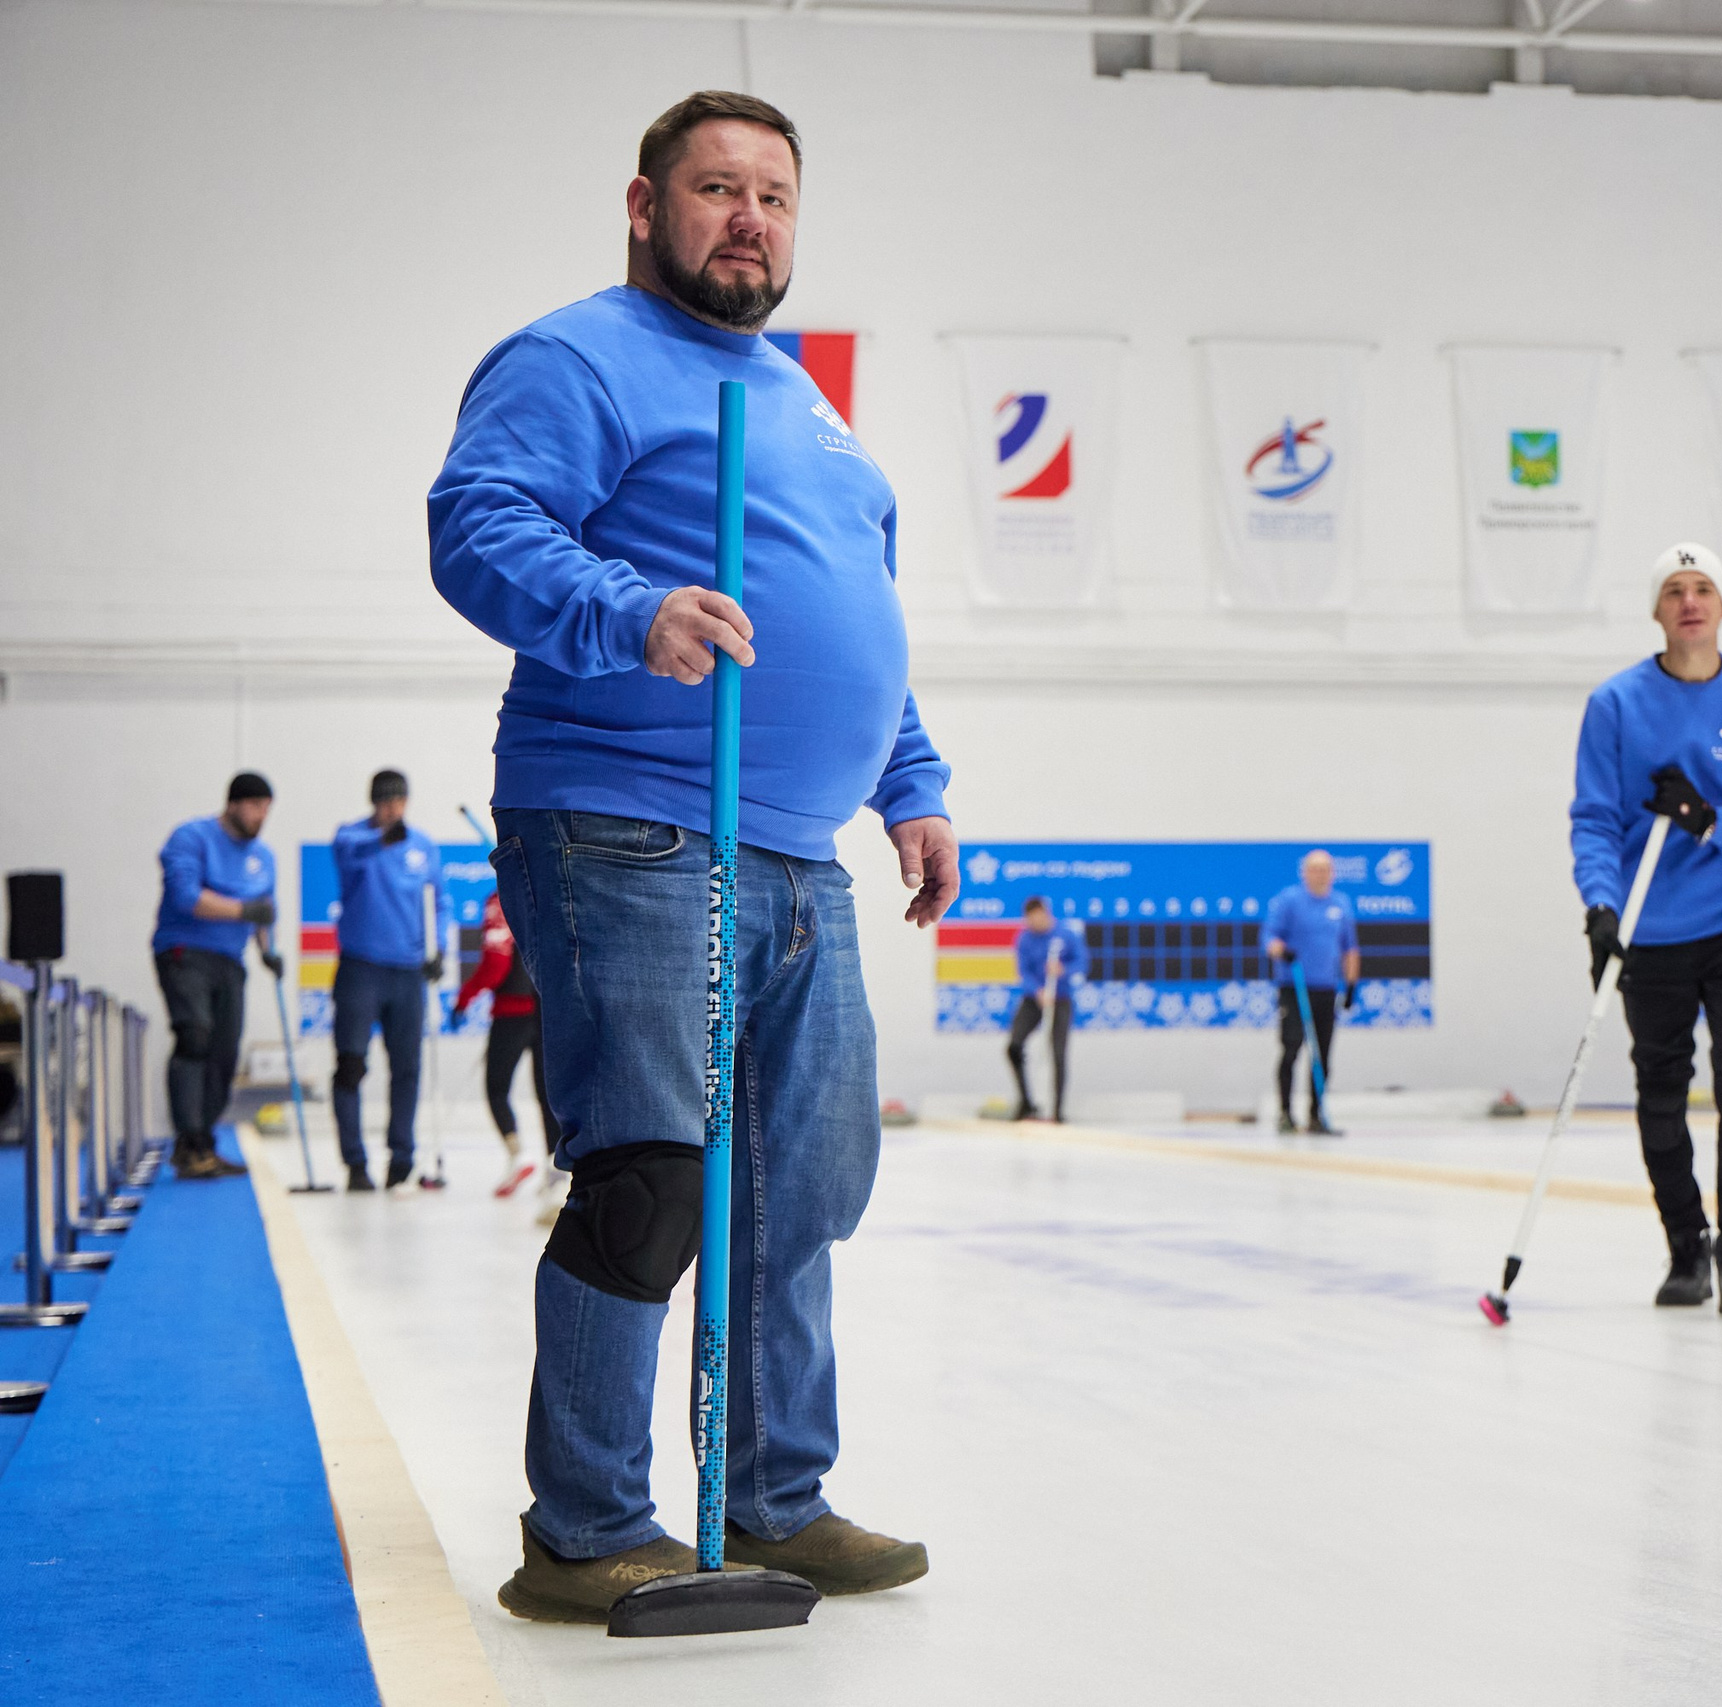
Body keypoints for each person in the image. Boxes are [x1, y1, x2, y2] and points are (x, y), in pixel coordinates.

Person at [427, 90, 956, 1625]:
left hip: (800, 851)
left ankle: (773, 1497)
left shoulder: (807, 403)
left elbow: (862, 612)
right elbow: (479, 522)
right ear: (646, 205)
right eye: (717, 189)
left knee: (802, 1188)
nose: (751, 219)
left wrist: (910, 779)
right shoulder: (579, 354)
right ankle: (586, 1526)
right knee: (655, 1176)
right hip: (634, 819)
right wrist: (626, 611)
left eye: (776, 197)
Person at [1571, 544, 1722, 1315]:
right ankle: (1687, 1246)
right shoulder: (1615, 704)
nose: (1689, 601)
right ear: (1656, 610)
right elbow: (1595, 821)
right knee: (1661, 1093)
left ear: (1721, 604)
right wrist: (1602, 908)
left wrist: (1710, 821)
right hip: (1653, 928)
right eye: (1674, 590)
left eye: (1703, 587)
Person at [151, 773, 282, 1180]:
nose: (261, 815)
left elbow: (265, 910)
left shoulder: (263, 856)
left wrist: (267, 949)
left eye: (266, 807)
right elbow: (186, 897)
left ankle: (204, 1142)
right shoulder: (192, 838)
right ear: (233, 804)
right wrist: (244, 912)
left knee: (224, 1053)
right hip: (184, 951)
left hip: (231, 959)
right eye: (254, 805)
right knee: (195, 1036)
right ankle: (188, 1142)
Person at [329, 769, 447, 1191]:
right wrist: (380, 839)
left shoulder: (424, 847)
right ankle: (355, 1161)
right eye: (384, 801)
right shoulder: (352, 838)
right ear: (374, 803)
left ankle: (402, 1156)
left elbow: (439, 903)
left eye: (399, 800)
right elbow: (347, 852)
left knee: (406, 1068)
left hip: (407, 972)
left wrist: (440, 951)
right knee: (351, 1064)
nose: (392, 808)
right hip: (362, 968)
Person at [453, 891, 556, 1196]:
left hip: (512, 1012)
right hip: (548, 1012)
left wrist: (464, 999)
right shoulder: (546, 893)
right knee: (547, 1092)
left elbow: (496, 964)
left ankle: (518, 1154)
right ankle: (556, 1170)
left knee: (497, 1088)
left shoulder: (501, 900)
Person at [1264, 849, 1359, 1136]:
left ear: (1332, 873)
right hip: (1294, 986)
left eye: (1325, 869)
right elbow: (1269, 938)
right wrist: (1283, 951)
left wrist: (1351, 984)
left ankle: (1317, 1116)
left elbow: (1350, 947)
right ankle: (1284, 1114)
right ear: (1304, 872)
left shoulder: (1340, 904)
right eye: (1314, 869)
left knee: (1322, 1055)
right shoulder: (1289, 901)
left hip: (1325, 988)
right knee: (1291, 1047)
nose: (1319, 874)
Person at [1005, 897, 1085, 1122]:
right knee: (1013, 1046)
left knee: (1058, 1053)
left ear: (1046, 913)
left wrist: (1063, 970)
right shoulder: (1024, 939)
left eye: (1037, 918)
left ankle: (1057, 1111)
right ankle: (1026, 1102)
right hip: (1034, 999)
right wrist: (1037, 991)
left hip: (1060, 999)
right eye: (1029, 920)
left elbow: (1081, 962)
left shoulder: (1065, 935)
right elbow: (1023, 970)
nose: (1034, 923)